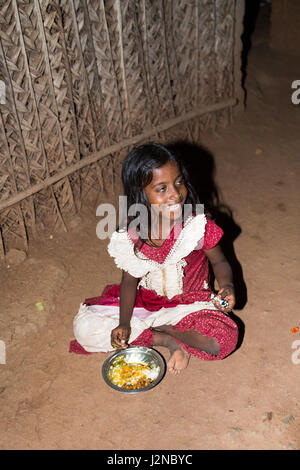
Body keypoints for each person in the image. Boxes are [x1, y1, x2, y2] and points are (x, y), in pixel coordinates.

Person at [72, 142, 238, 374]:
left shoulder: (196, 226)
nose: (175, 194)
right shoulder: (132, 235)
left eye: (179, 182)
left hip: (189, 305)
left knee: (223, 339)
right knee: (84, 329)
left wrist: (227, 286)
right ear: (141, 194)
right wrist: (124, 323)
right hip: (147, 305)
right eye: (162, 188)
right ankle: (168, 341)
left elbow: (219, 261)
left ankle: (163, 328)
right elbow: (129, 282)